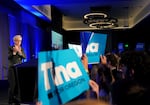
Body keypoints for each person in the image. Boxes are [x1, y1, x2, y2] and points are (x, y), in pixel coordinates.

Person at [8, 35, 26, 105]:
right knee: (12, 85)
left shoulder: (21, 49)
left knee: (19, 85)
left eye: (20, 41)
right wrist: (14, 52)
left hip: (19, 69)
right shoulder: (10, 47)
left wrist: (20, 52)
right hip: (12, 69)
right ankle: (10, 101)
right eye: (18, 40)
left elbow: (24, 57)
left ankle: (17, 100)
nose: (19, 42)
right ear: (14, 41)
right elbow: (9, 57)